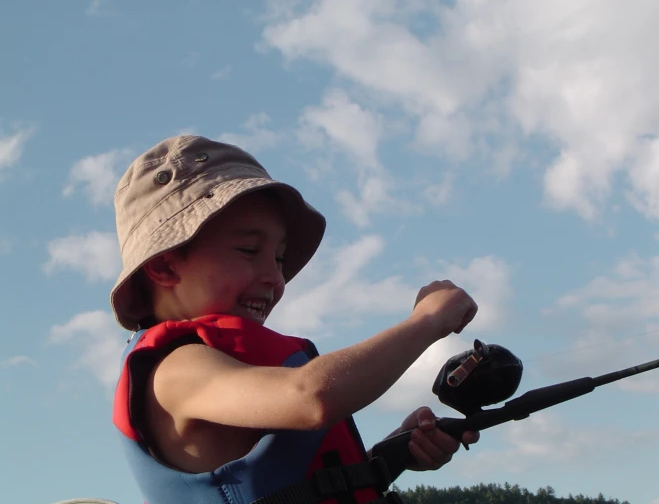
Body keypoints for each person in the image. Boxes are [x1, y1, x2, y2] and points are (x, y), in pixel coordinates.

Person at [111, 135, 479, 504]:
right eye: (249, 250)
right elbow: (312, 398)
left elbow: (294, 487)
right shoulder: (174, 370)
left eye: (280, 259)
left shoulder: (241, 376)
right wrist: (426, 321)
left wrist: (391, 454)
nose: (275, 276)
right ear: (163, 265)